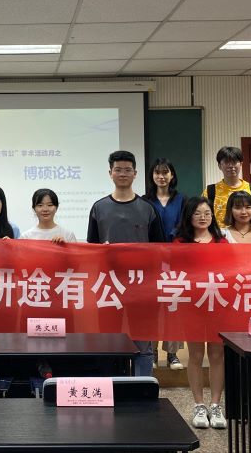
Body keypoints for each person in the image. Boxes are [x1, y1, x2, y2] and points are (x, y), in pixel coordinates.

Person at [87, 150, 164, 377]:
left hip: (141, 285)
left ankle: (143, 389)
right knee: (108, 341)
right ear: (110, 173)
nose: (123, 174)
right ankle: (112, 388)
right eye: (118, 169)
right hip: (109, 284)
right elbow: (91, 249)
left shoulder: (148, 208)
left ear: (135, 173)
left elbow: (160, 249)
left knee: (143, 344)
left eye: (127, 170)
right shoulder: (99, 207)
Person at [174, 196, 226, 430]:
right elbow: (174, 272)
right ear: (188, 216)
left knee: (217, 355)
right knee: (195, 355)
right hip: (192, 306)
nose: (203, 217)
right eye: (197, 213)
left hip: (217, 304)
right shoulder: (180, 243)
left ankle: (215, 405)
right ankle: (199, 405)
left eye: (207, 213)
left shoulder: (221, 242)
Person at [143, 158, 186, 370]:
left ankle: (172, 354)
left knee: (173, 306)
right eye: (157, 172)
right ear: (152, 176)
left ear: (172, 175)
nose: (161, 176)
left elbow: (186, 226)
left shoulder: (182, 199)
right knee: (151, 307)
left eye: (165, 172)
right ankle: (150, 353)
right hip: (150, 261)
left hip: (176, 259)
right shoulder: (144, 201)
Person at [203, 146, 251, 228]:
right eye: (226, 162)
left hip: (245, 235)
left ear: (241, 164)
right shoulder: (210, 191)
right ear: (219, 166)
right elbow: (202, 215)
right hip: (218, 235)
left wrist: (246, 233)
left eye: (234, 162)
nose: (231, 166)